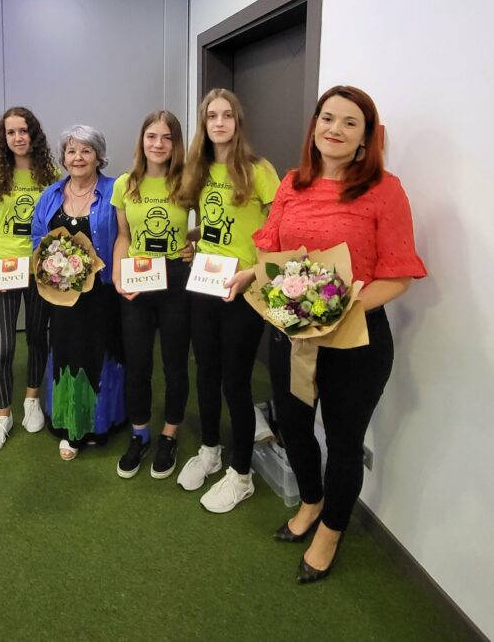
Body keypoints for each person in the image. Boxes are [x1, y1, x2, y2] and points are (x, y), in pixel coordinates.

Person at [235, 84, 426, 583]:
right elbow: (271, 249)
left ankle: (331, 531)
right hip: (293, 332)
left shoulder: (384, 189)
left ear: (366, 137)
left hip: (356, 339)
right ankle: (312, 501)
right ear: (314, 126)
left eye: (349, 122)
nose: (334, 129)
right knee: (294, 426)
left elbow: (398, 276)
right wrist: (253, 274)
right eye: (327, 118)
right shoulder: (292, 183)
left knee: (344, 442)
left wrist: (339, 307)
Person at [176, 89, 280, 511]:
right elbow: (217, 225)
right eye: (211, 116)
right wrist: (193, 238)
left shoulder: (259, 170)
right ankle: (210, 451)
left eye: (227, 116)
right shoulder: (197, 170)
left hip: (244, 288)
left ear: (238, 122)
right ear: (203, 124)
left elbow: (278, 232)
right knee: (205, 372)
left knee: (235, 381)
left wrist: (255, 271)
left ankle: (242, 474)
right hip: (204, 284)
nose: (219, 123)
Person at [32, 125, 124, 460]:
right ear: (63, 158)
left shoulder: (115, 191)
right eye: (71, 151)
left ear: (99, 156)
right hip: (63, 295)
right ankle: (71, 426)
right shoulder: (51, 195)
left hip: (104, 294)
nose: (78, 157)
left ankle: (103, 422)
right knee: (67, 354)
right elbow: (37, 239)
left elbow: (128, 234)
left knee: (102, 353)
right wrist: (51, 267)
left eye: (86, 150)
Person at [111, 111, 191, 480]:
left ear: (176, 143)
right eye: (152, 136)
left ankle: (169, 434)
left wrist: (193, 243)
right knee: (137, 363)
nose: (158, 144)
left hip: (175, 282)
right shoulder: (125, 184)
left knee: (174, 364)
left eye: (167, 137)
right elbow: (123, 235)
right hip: (137, 280)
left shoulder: (187, 182)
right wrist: (118, 272)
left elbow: (212, 223)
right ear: (142, 141)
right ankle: (140, 433)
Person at [0, 107, 58, 456]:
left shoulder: (51, 173)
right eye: (10, 132)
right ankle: (2, 415)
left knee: (37, 338)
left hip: (40, 269)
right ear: (4, 138)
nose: (18, 138)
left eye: (23, 131)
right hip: (4, 268)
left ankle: (31, 398)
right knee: (2, 348)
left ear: (33, 133)